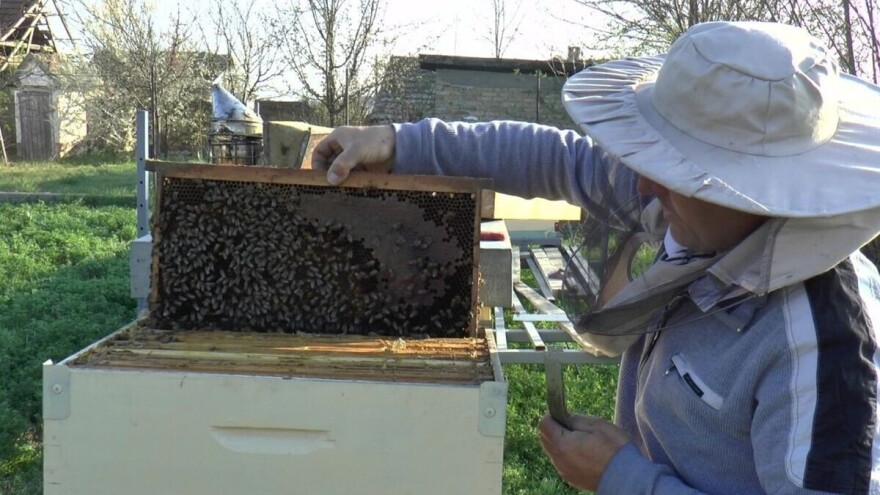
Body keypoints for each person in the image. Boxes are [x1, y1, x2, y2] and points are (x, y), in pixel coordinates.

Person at [313, 21, 880, 494]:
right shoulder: (699, 215)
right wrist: (403, 141)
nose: (642, 191)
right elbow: (558, 158)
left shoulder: (824, 346)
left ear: (749, 187)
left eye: (676, 173)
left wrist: (623, 477)